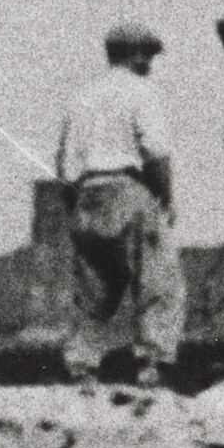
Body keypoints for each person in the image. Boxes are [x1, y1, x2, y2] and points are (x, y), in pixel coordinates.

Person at [52, 22, 184, 381]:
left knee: (94, 289)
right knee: (158, 280)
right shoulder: (142, 91)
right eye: (149, 57)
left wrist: (77, 207)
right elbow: (156, 152)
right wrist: (165, 199)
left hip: (86, 194)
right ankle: (151, 364)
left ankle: (81, 366)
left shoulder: (81, 96)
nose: (151, 64)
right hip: (127, 188)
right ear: (138, 56)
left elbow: (64, 165)